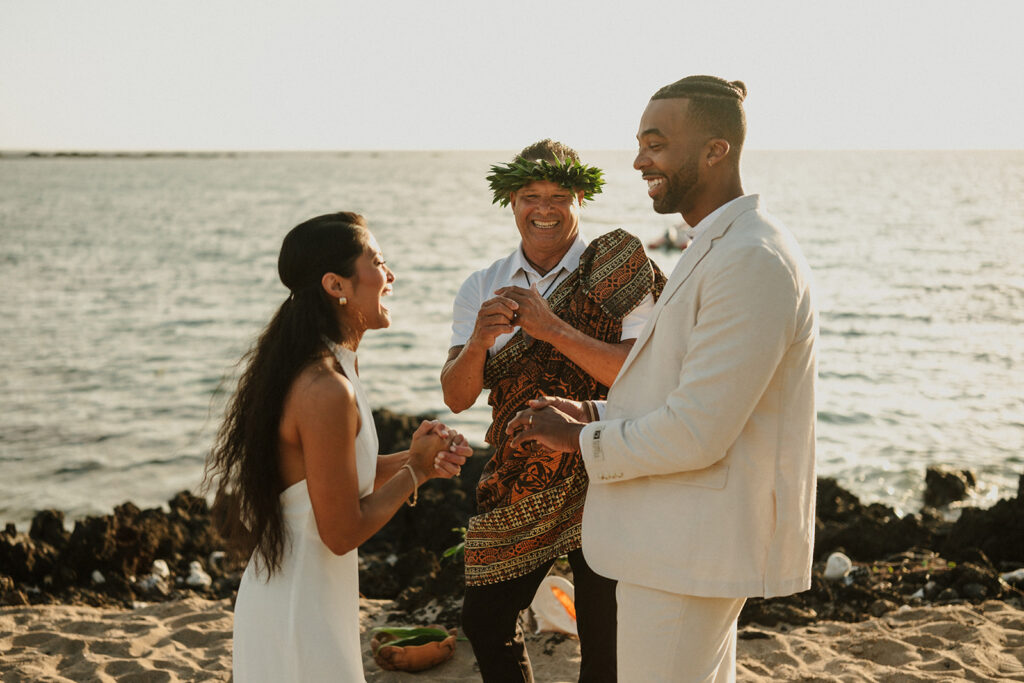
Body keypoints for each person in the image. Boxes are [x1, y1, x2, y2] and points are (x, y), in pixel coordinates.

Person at [507, 76, 818, 682]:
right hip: (678, 544)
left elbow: (697, 432)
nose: (638, 160)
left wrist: (577, 442)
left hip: (689, 548)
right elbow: (681, 386)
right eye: (640, 142)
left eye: (656, 143)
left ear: (714, 150)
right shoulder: (718, 246)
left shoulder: (752, 258)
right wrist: (591, 412)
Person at [204, 212, 472, 683]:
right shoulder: (325, 387)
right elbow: (342, 531)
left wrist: (414, 461)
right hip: (298, 609)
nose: (390, 277)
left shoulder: (329, 368)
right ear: (336, 285)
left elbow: (325, 482)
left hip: (307, 594)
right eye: (379, 262)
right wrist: (415, 471)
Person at [441, 140, 665, 682]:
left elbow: (644, 375)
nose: (544, 209)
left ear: (581, 196)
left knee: (603, 632)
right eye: (529, 196)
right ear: (510, 201)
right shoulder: (482, 284)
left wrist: (550, 328)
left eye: (559, 195)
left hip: (606, 467)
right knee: (485, 618)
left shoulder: (616, 271)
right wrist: (477, 343)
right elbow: (456, 396)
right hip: (520, 475)